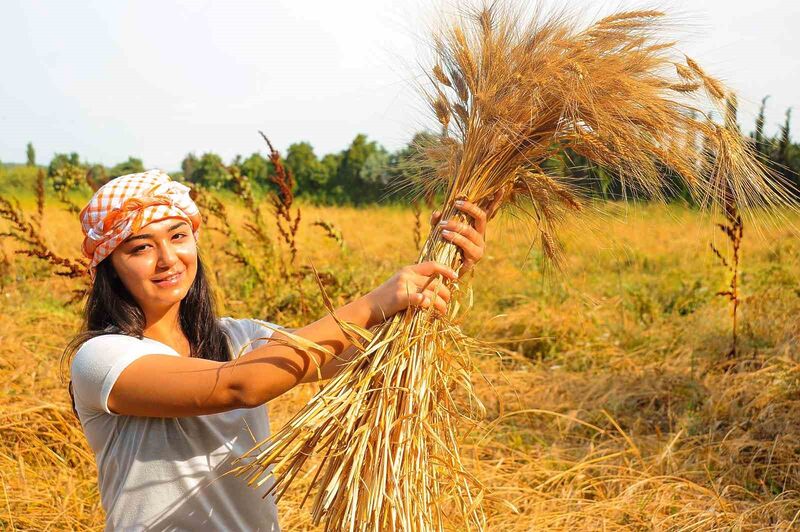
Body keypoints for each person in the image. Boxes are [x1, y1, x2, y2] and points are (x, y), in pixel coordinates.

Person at [63, 169, 492, 530]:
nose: (167, 258)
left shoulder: (239, 338)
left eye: (178, 236)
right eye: (140, 247)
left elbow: (362, 354)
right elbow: (237, 386)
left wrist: (445, 270)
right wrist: (375, 300)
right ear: (110, 268)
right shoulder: (102, 359)